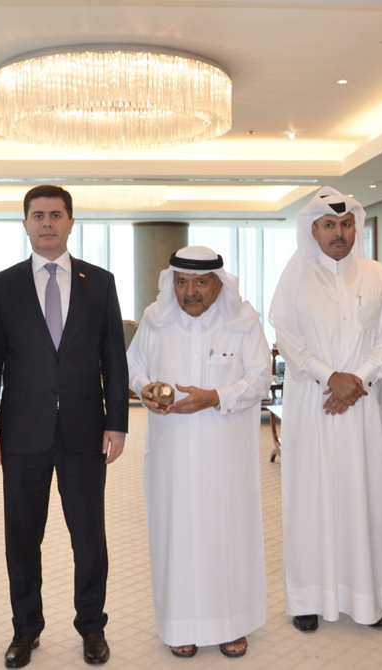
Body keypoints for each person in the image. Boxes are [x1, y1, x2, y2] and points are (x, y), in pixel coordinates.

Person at [0, 185, 128, 668]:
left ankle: (92, 627)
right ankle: (26, 630)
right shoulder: (3, 285)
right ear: (25, 224)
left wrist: (118, 422)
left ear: (70, 223)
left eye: (56, 215)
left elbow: (114, 359)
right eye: (37, 215)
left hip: (85, 430)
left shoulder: (100, 282)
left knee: (89, 537)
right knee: (22, 536)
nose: (47, 223)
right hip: (22, 432)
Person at [127, 246, 270, 659]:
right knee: (175, 534)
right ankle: (179, 624)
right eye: (182, 282)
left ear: (218, 285)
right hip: (171, 454)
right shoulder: (156, 321)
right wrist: (145, 388)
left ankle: (231, 624)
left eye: (200, 283)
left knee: (227, 535)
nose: (190, 292)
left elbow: (261, 379)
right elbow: (133, 365)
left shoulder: (243, 324)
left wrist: (215, 396)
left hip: (225, 457)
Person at [268, 186, 382, 632]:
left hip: (362, 407)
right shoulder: (295, 277)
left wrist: (356, 379)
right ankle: (307, 598)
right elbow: (286, 336)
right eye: (329, 225)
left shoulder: (378, 274)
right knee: (309, 498)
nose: (338, 233)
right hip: (313, 404)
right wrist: (330, 376)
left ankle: (367, 601)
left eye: (345, 224)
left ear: (355, 226)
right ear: (314, 230)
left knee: (366, 497)